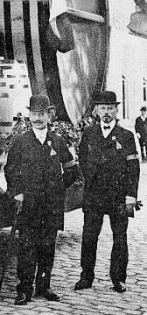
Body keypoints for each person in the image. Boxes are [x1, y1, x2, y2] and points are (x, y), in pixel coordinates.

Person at [5, 94, 80, 305]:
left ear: (49, 115)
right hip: (28, 204)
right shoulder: (20, 142)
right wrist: (17, 193)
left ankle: (44, 286)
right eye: (34, 114)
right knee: (27, 247)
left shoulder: (57, 141)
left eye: (42, 114)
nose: (38, 118)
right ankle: (24, 289)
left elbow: (72, 170)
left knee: (47, 246)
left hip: (51, 205)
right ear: (29, 115)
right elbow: (10, 171)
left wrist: (57, 188)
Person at [74, 91, 140, 293]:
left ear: (116, 110)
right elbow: (83, 160)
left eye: (110, 108)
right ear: (96, 110)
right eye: (102, 108)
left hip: (118, 195)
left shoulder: (126, 136)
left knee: (119, 237)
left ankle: (118, 278)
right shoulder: (89, 134)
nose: (106, 112)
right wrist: (90, 180)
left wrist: (130, 196)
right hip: (94, 194)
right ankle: (86, 277)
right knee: (89, 236)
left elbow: (133, 168)